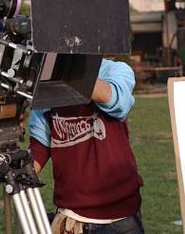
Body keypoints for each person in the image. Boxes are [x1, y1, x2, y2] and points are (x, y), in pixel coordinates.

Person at [29, 59, 144, 234]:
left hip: (120, 218)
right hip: (73, 218)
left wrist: (64, 70)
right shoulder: (46, 86)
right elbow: (40, 149)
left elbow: (117, 100)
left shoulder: (114, 69)